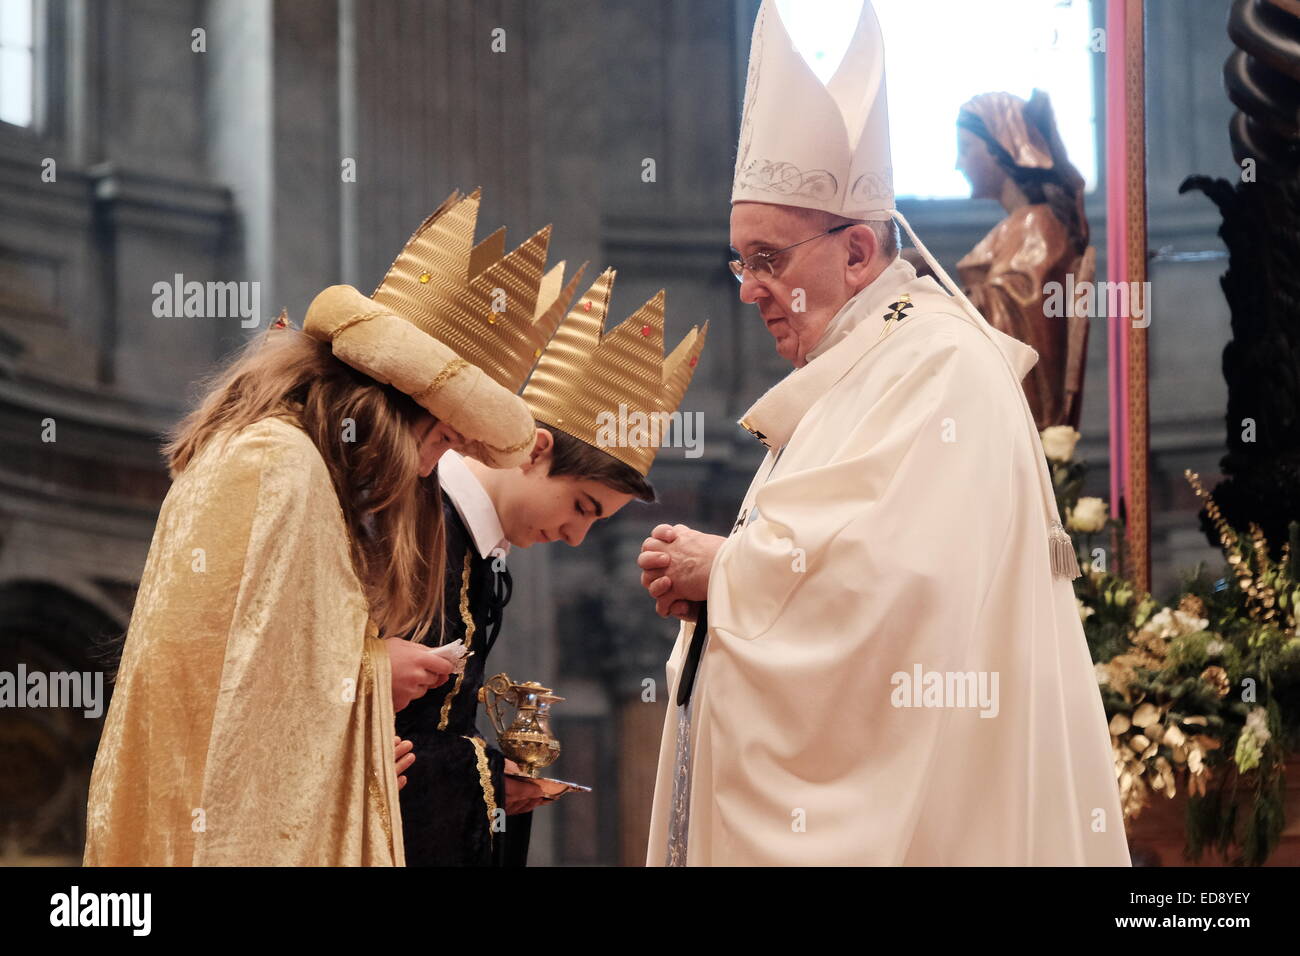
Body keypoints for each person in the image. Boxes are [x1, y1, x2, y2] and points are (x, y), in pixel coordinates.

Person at [636, 0, 1130, 866]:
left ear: (858, 252)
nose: (748, 289)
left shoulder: (940, 367)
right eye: (739, 261)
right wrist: (722, 590)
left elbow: (907, 597)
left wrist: (728, 571)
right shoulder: (855, 374)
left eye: (768, 259)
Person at [84, 192, 541, 866]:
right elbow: (232, 692)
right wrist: (372, 671)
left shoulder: (286, 458)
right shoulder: (280, 465)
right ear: (393, 406)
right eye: (442, 440)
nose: (431, 468)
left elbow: (258, 662)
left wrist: (361, 682)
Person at [398, 261, 706, 866]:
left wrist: (486, 775)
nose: (573, 537)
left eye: (595, 523)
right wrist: (477, 772)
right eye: (581, 507)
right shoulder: (410, 514)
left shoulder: (483, 553)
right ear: (536, 450)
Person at [956, 89, 1094, 430]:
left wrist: (938, 297)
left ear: (1001, 149)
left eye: (965, 148)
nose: (958, 163)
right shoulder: (1020, 226)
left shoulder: (1038, 225)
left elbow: (1019, 322)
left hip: (1025, 422)